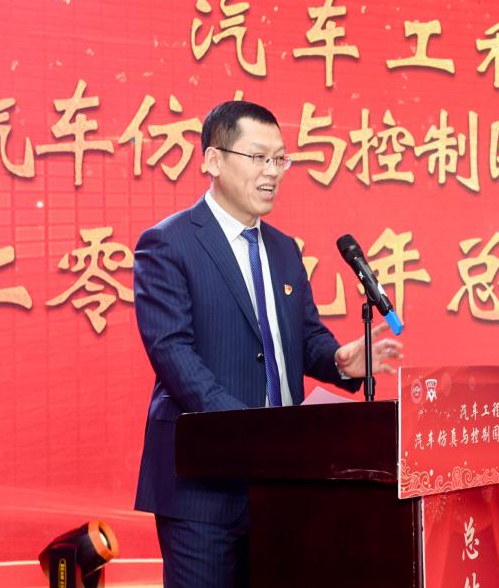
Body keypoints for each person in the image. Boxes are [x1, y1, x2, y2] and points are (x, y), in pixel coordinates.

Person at [132, 100, 403, 588]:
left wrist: (341, 361)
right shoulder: (168, 244)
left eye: (280, 159)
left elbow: (303, 336)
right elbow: (174, 354)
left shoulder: (283, 249)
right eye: (258, 157)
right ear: (214, 160)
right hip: (202, 487)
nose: (273, 171)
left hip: (280, 482)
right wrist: (254, 436)